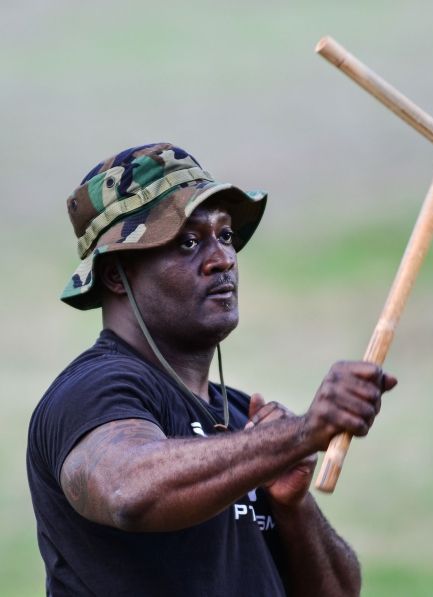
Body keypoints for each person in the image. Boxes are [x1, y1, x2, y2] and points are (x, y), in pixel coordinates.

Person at [27, 142, 397, 596]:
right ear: (116, 275)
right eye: (187, 241)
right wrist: (298, 435)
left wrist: (293, 504)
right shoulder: (93, 392)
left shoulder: (244, 417)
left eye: (225, 235)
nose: (223, 259)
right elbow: (129, 491)